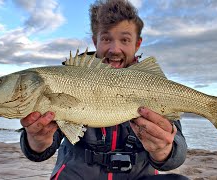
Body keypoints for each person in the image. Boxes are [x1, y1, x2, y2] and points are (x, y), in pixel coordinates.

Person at [20, 0, 188, 179]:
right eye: (107, 39)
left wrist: (164, 150)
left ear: (137, 44)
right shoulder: (66, 78)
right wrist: (36, 141)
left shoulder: (154, 85)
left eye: (125, 39)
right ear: (95, 41)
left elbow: (177, 152)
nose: (115, 49)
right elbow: (41, 149)